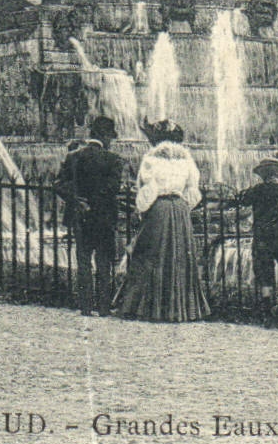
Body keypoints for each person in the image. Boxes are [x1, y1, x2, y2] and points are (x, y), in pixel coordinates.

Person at [114, 136, 209, 322]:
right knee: (180, 257)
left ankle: (149, 308)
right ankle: (181, 309)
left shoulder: (150, 161)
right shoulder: (187, 161)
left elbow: (146, 190)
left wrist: (142, 208)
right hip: (180, 209)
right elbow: (193, 192)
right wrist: (182, 205)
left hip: (159, 208)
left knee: (149, 255)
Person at [55, 117, 126, 317]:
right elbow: (113, 189)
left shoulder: (74, 157)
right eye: (110, 137)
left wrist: (77, 200)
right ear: (104, 136)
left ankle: (85, 306)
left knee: (83, 261)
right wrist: (96, 202)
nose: (111, 141)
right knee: (104, 261)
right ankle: (103, 307)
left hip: (80, 215)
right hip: (103, 217)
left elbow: (59, 183)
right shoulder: (114, 160)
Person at [231, 157, 278, 324]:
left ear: (262, 175)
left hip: (262, 237)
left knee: (265, 274)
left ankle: (267, 311)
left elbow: (242, 199)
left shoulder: (257, 190)